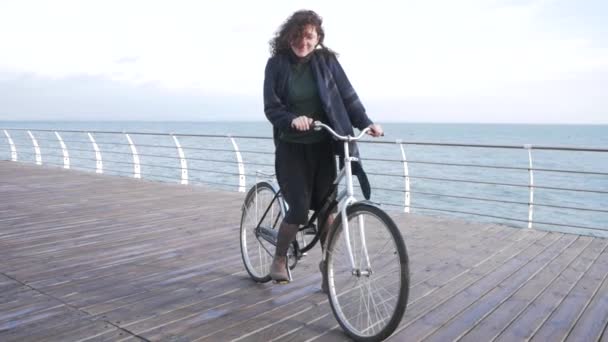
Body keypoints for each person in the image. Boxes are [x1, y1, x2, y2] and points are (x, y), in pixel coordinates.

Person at [263, 9, 383, 291]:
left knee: (328, 210)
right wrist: (292, 119)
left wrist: (366, 122)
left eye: (309, 36)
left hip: (323, 146)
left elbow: (347, 96)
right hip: (292, 148)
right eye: (297, 35)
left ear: (317, 38)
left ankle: (326, 266)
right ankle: (279, 259)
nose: (303, 41)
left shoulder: (326, 61)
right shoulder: (277, 64)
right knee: (300, 210)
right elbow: (271, 106)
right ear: (288, 37)